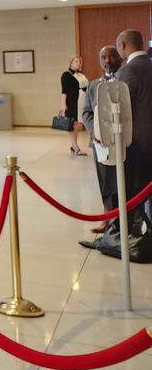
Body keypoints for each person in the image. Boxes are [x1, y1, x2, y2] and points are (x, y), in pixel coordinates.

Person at [115, 28, 152, 259]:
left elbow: (118, 111)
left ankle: (139, 238)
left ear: (123, 46)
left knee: (136, 193)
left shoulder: (127, 71)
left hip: (139, 145)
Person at [80, 46, 123, 242]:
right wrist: (95, 132)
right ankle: (108, 220)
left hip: (124, 144)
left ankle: (124, 223)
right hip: (100, 144)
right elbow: (86, 112)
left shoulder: (125, 82)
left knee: (124, 184)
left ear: (120, 58)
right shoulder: (94, 85)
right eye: (104, 57)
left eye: (112, 56)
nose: (108, 61)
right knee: (106, 184)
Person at [60, 56, 89, 156]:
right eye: (76, 61)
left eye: (80, 62)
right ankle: (75, 147)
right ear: (71, 62)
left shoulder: (81, 75)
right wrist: (63, 103)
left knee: (76, 125)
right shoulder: (66, 74)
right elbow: (64, 90)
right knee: (72, 125)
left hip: (82, 101)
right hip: (71, 102)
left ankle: (74, 146)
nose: (78, 63)